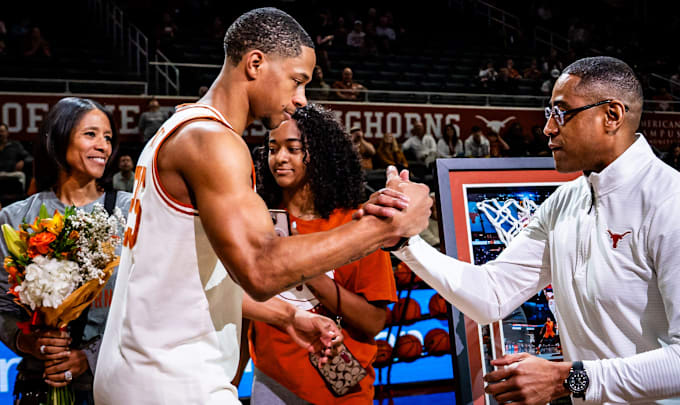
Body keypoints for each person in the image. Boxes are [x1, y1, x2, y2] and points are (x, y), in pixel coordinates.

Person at [94, 8, 430, 405]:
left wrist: (287, 316)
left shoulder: (181, 126)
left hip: (139, 370)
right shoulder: (213, 141)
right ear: (255, 63)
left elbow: (192, 277)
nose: (300, 99)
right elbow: (260, 268)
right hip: (172, 378)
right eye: (297, 81)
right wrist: (386, 226)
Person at [366, 56, 680, 404]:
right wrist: (404, 240)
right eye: (549, 113)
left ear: (611, 116)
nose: (549, 127)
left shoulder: (673, 204)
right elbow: (491, 295)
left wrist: (570, 378)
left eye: (562, 112)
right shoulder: (564, 201)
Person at [249, 104, 397, 404]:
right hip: (271, 381)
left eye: (293, 149)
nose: (279, 159)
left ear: (321, 155)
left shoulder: (356, 224)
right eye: (273, 149)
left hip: (341, 388)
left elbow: (373, 323)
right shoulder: (257, 220)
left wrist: (308, 269)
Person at [0, 97, 132, 405]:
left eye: (108, 137)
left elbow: (147, 308)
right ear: (59, 138)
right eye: (91, 134)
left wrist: (89, 356)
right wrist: (28, 342)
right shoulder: (16, 218)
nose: (103, 145)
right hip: (36, 384)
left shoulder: (129, 211)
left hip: (111, 386)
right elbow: (3, 310)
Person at [0, 122, 31, 190]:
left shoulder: (15, 145)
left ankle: (22, 196)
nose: (0, 134)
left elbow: (29, 158)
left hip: (11, 173)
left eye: (2, 131)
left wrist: (23, 161)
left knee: (21, 175)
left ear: (7, 133)